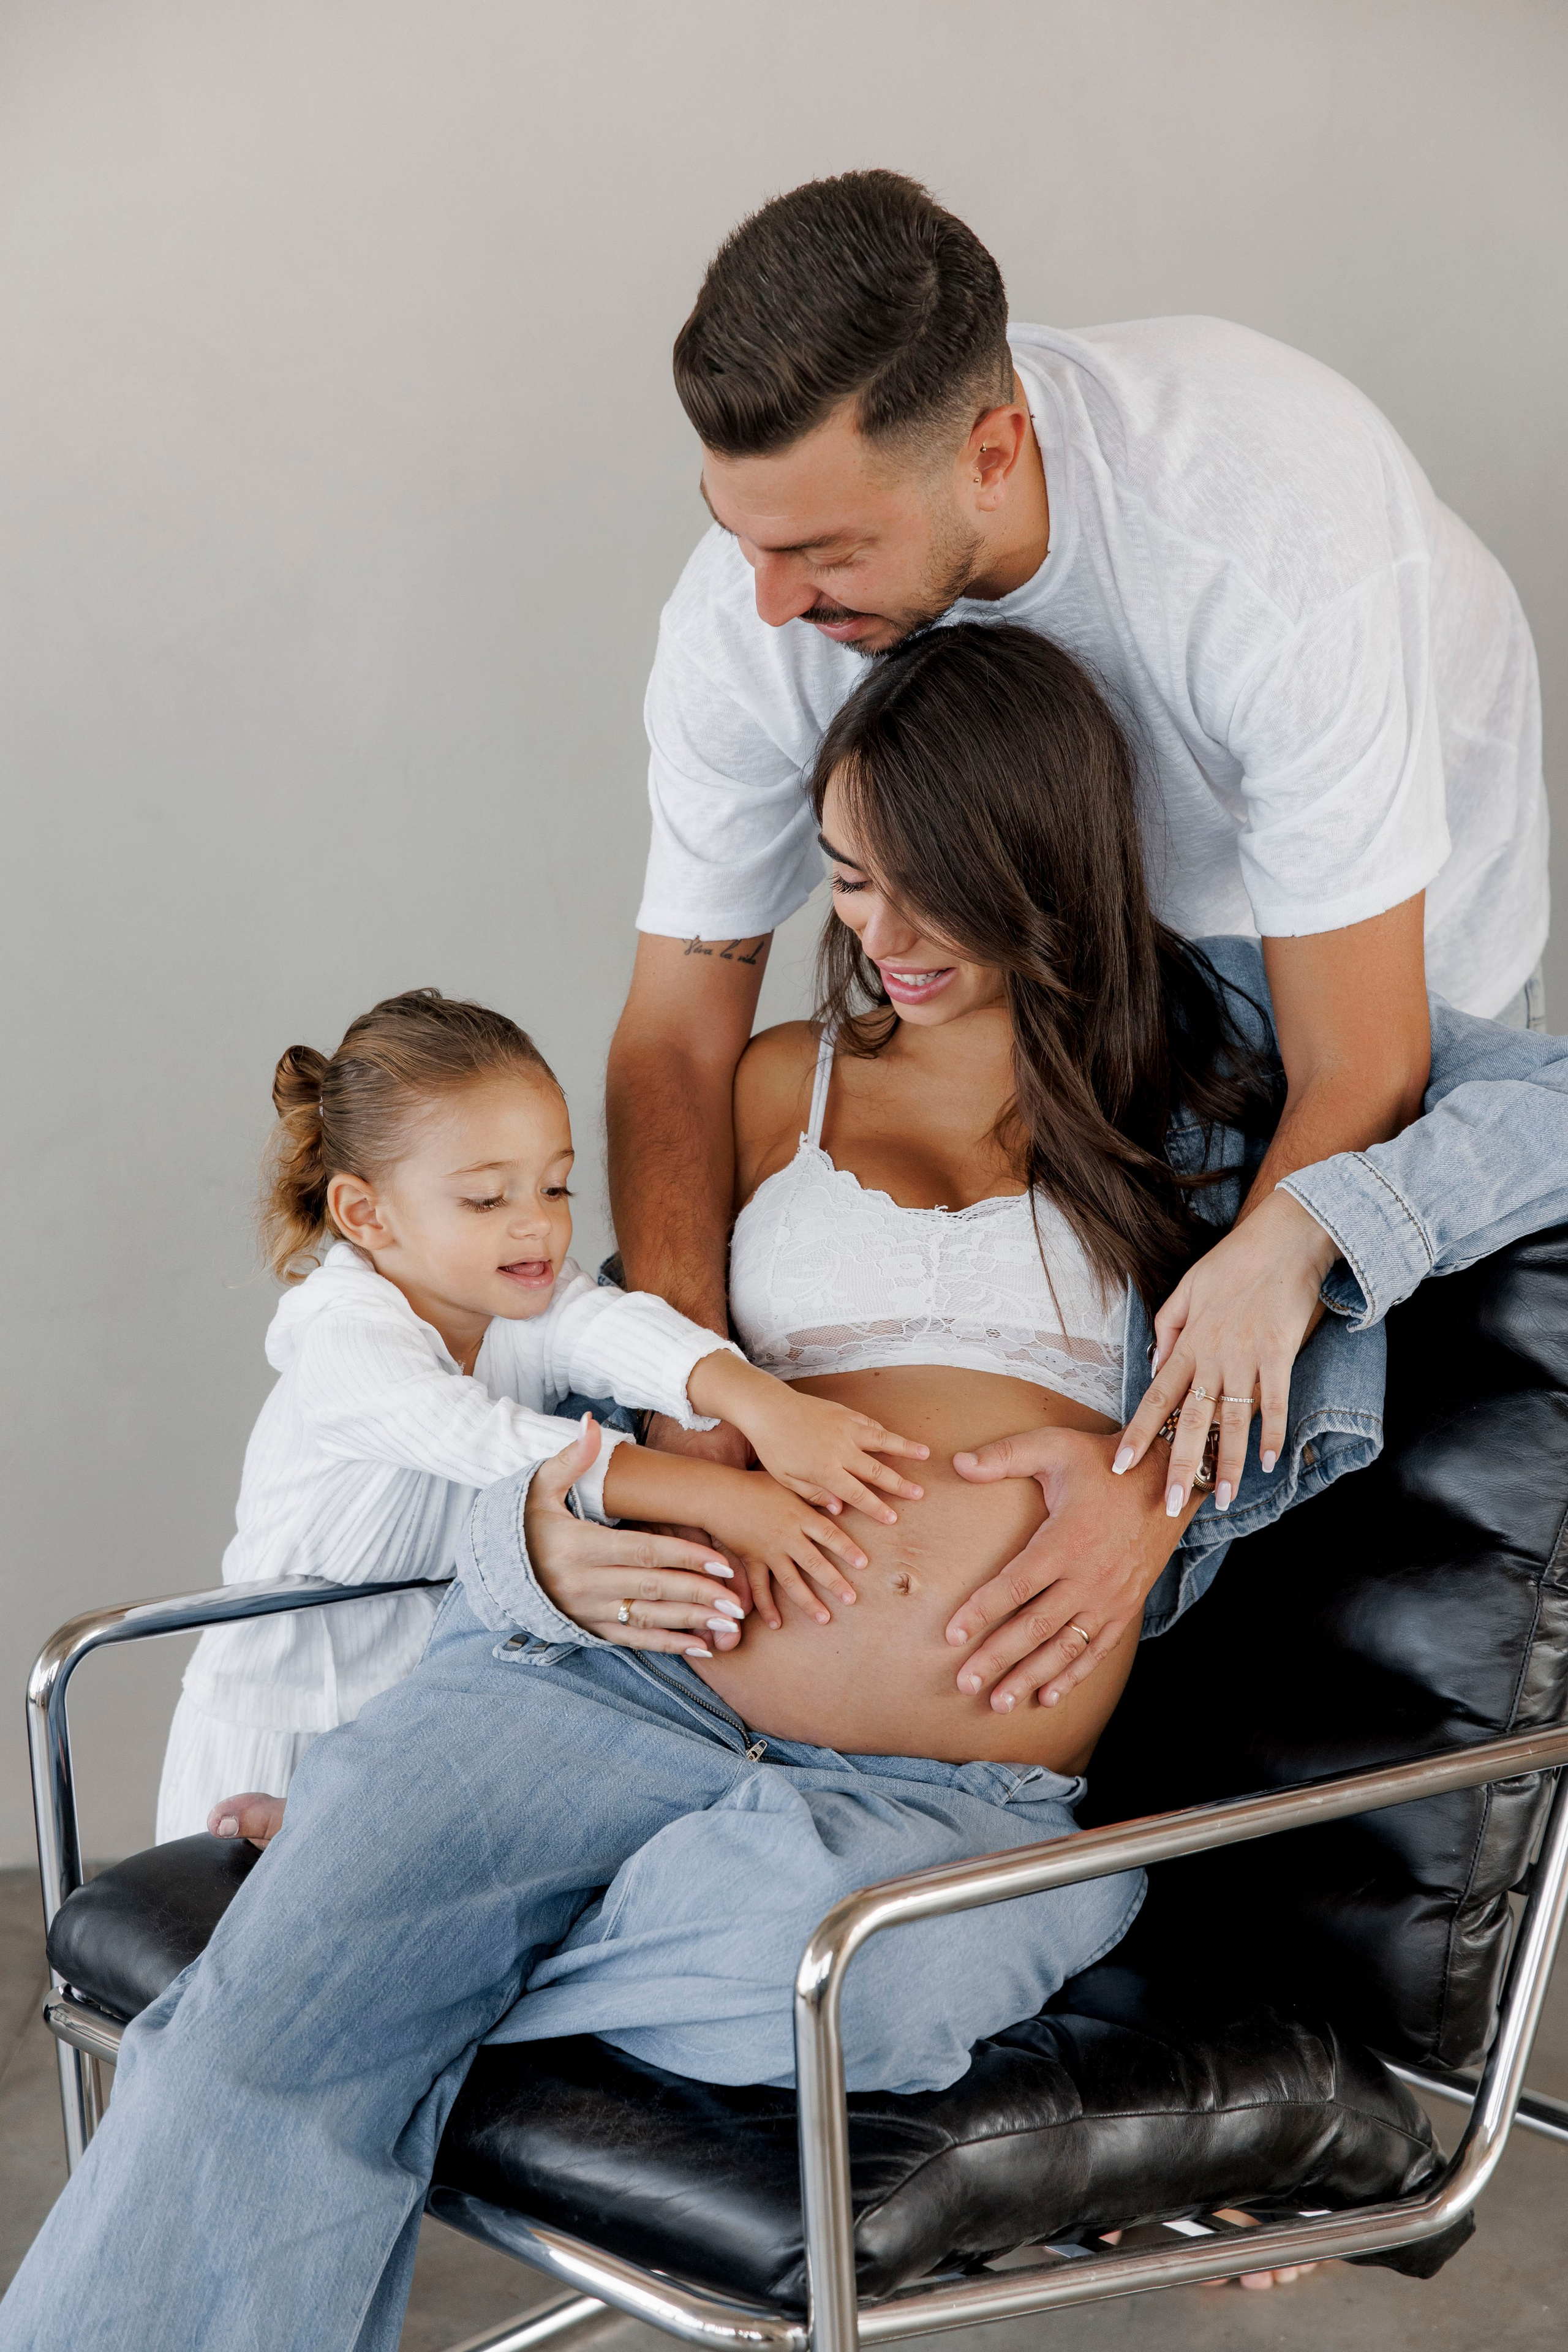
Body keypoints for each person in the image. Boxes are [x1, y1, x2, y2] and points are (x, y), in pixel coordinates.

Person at [15, 626, 1565, 2348]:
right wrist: (543, 1544)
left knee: (865, 1990)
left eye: (933, 895)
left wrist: (1298, 1241)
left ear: (1043, 871)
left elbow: (1551, 1106)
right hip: (613, 1687)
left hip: (935, 1807)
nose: (880, 939)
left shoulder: (1197, 1093)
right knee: (256, 2054)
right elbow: (558, 1397)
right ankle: (366, 1937)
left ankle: (387, 1940)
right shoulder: (768, 1086)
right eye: (846, 883)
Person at [606, 167, 1547, 1712]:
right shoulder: (757, 598)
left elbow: (1355, 1057)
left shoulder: (1263, 541)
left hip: (1324, 947)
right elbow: (672, 1038)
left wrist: (1165, 1479)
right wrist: (692, 1396)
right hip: (1019, 949)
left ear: (991, 453)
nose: (768, 604)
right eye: (738, 537)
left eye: (825, 553)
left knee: (1281, 1281)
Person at [157, 985, 933, 1838]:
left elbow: (616, 1328)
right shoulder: (343, 1342)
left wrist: (763, 1405)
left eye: (556, 1189)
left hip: (421, 1714)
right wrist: (727, 1499)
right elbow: (496, 1443)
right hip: (281, 1721)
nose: (537, 1228)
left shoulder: (516, 1300)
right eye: (489, 1200)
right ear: (365, 1214)